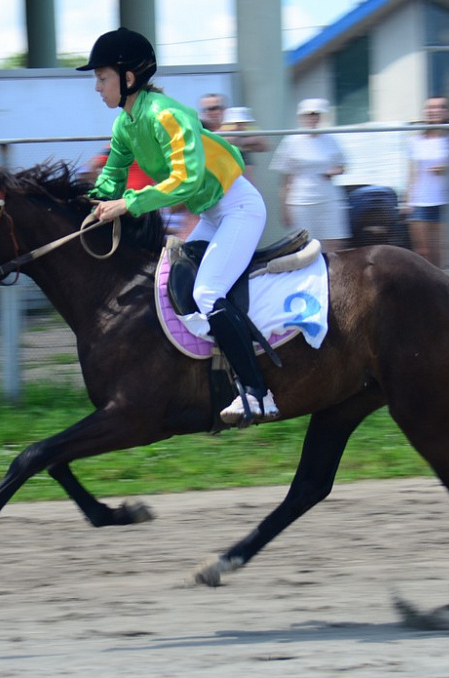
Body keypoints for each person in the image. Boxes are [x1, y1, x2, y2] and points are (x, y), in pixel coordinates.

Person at [78, 28, 278, 424]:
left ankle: (258, 393)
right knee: (171, 284)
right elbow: (110, 181)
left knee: (206, 292)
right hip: (212, 214)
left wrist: (127, 204)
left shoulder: (167, 114)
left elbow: (184, 181)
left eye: (102, 78)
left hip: (239, 208)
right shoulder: (125, 125)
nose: (97, 87)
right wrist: (86, 207)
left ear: (129, 77)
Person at [269, 98, 351, 252]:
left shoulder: (331, 139)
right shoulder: (291, 141)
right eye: (309, 114)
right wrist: (284, 208)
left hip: (329, 199)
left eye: (316, 114)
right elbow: (286, 178)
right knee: (302, 246)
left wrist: (332, 171)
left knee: (334, 245)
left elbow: (342, 166)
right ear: (301, 117)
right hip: (300, 202)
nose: (313, 118)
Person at [403, 95, 449, 267]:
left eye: (441, 107)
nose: (435, 111)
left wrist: (448, 168)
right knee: (423, 251)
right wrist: (407, 200)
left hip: (446, 202)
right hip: (420, 201)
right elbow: (412, 173)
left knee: (442, 250)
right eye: (431, 108)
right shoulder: (415, 140)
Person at [219, 106, 269, 182]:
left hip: (245, 166)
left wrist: (242, 142)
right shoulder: (223, 131)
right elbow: (225, 139)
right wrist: (240, 142)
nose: (239, 126)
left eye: (243, 123)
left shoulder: (249, 130)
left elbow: (263, 144)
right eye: (236, 123)